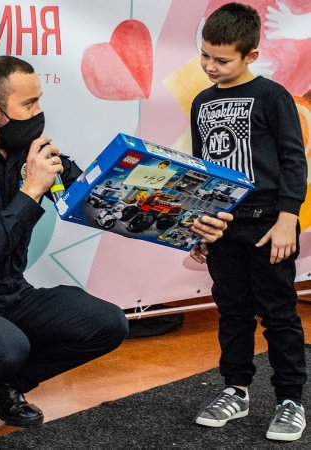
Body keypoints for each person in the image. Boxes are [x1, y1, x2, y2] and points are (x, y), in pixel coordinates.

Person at [0, 55, 232, 444]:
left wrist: (191, 226)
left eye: (39, 101)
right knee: (5, 346)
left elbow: (107, 204)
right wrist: (31, 190)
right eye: (28, 104)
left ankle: (5, 383)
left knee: (107, 323)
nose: (38, 113)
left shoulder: (29, 152)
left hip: (9, 294)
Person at [189, 2, 308, 442]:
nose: (210, 67)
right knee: (232, 311)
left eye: (222, 60)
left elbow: (294, 159)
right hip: (222, 227)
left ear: (250, 55)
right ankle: (235, 390)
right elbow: (201, 170)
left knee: (278, 313)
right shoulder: (202, 102)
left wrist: (288, 218)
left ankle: (290, 400)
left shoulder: (273, 96)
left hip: (268, 226)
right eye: (205, 56)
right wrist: (198, 226)